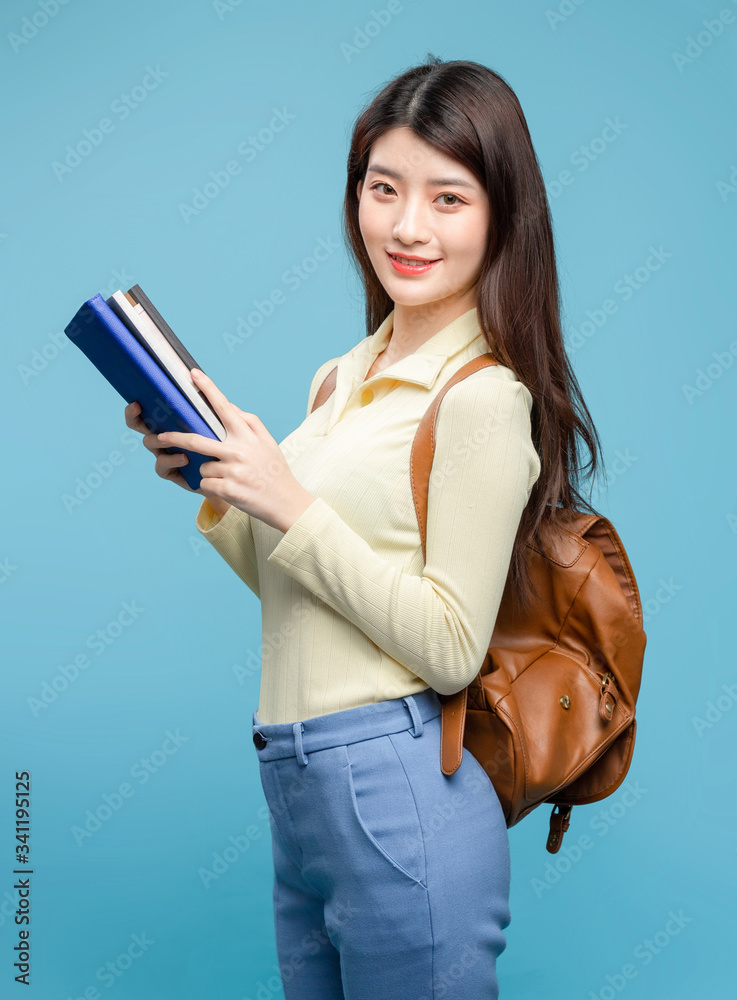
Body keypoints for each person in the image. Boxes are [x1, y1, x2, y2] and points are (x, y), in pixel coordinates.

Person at [124, 54, 603, 1000]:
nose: (407, 226)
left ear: (503, 214)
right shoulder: (341, 378)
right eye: (383, 189)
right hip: (296, 787)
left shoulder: (482, 399)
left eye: (448, 198)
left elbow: (451, 646)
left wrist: (292, 501)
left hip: (399, 785)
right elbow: (306, 594)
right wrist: (226, 484)